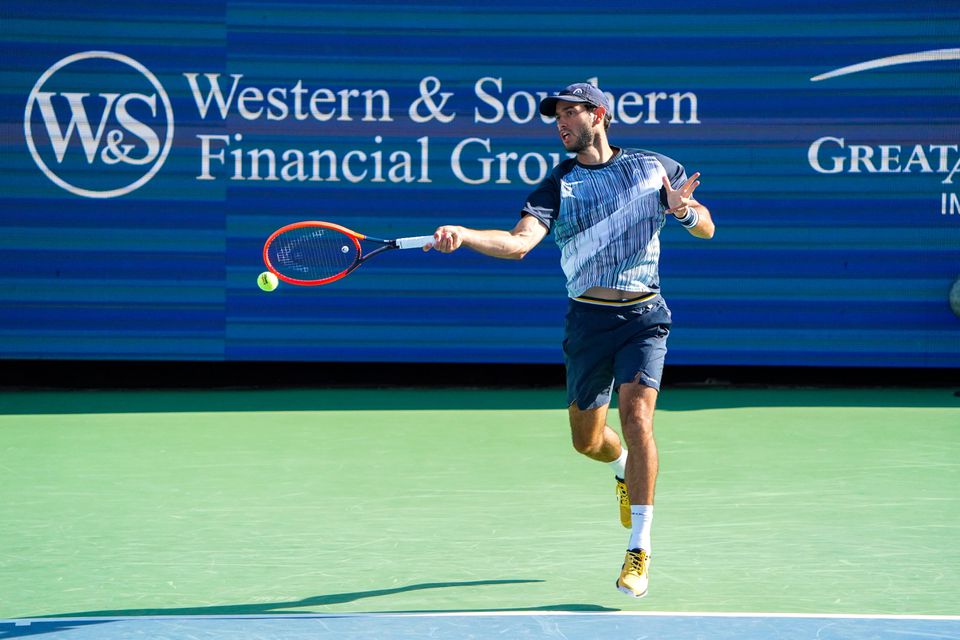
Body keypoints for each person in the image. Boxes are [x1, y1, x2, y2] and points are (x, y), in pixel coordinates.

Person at [426, 82, 714, 598]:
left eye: (569, 113)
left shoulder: (654, 168)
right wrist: (465, 234)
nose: (559, 123)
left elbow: (706, 229)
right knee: (588, 441)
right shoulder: (557, 186)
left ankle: (640, 547)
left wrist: (682, 211)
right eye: (555, 116)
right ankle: (623, 467)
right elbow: (517, 245)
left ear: (598, 115)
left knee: (638, 417)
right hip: (587, 323)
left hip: (645, 315)